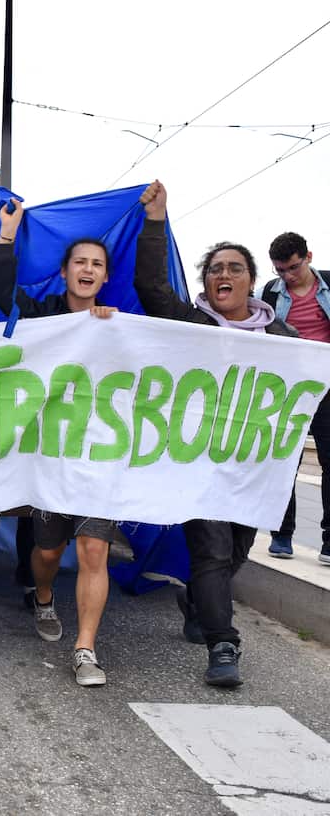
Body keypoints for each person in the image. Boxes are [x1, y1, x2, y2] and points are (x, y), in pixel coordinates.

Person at [134, 180, 297, 688]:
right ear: (207, 284)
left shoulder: (284, 338)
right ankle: (223, 645)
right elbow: (150, 288)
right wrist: (156, 222)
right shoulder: (190, 322)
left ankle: (197, 600)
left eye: (235, 268)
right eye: (215, 269)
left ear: (251, 281)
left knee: (236, 552)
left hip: (254, 467)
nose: (224, 274)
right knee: (210, 550)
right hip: (200, 460)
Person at [0, 198, 121, 687]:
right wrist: (6, 236)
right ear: (65, 273)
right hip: (47, 458)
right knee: (48, 552)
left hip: (96, 459)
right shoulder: (41, 314)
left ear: (105, 277)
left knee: (93, 550)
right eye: (80, 263)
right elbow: (2, 293)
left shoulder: (117, 325)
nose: (88, 270)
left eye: (97, 265)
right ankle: (43, 596)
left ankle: (85, 648)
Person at [261, 232, 330, 564]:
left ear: (309, 257)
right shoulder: (270, 295)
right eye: (280, 270)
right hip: (289, 389)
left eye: (293, 267)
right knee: (285, 461)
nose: (287, 276)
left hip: (328, 387)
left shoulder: (329, 285)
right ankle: (282, 535)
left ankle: (329, 542)